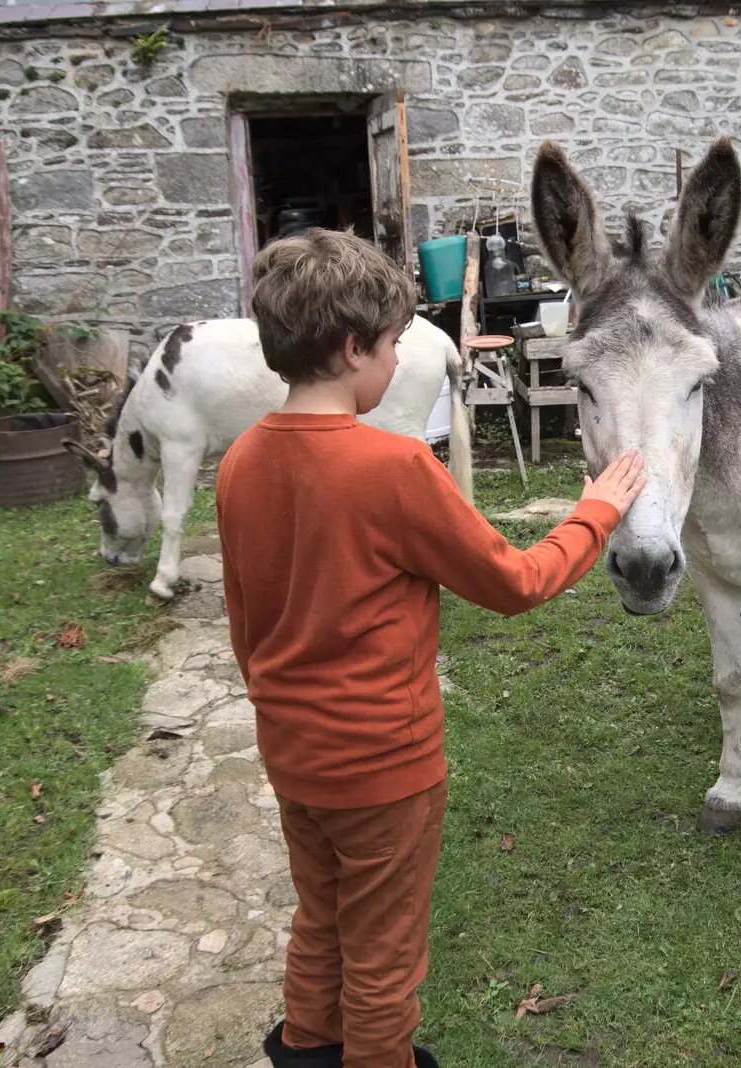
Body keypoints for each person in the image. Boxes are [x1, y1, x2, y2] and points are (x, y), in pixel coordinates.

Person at [216, 228, 645, 1068]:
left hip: (293, 756)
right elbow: (515, 582)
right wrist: (597, 509)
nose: (393, 363)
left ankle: (306, 1050)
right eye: (391, 346)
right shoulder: (395, 468)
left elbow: (245, 623)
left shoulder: (238, 462)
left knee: (321, 921)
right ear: (350, 349)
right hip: (383, 766)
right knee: (383, 957)